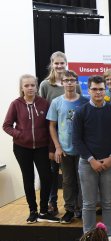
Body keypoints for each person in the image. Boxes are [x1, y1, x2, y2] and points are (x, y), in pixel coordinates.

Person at [72, 75, 111, 241]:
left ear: (105, 90)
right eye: (94, 89)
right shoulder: (81, 112)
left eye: (101, 89)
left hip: (109, 163)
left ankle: (109, 237)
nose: (98, 92)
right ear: (89, 90)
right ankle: (88, 240)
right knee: (89, 204)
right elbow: (76, 140)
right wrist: (91, 160)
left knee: (108, 202)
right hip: (88, 164)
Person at [3, 74, 58, 223]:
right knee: (28, 178)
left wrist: (51, 149)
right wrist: (19, 134)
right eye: (26, 85)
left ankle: (44, 211)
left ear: (36, 86)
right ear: (22, 88)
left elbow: (51, 127)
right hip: (22, 148)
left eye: (32, 85)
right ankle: (32, 211)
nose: (30, 88)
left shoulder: (44, 103)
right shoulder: (16, 104)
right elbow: (6, 125)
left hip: (42, 147)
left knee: (46, 177)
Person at [39, 51, 81, 216]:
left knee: (73, 176)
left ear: (66, 64)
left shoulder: (75, 86)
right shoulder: (45, 85)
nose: (59, 66)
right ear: (52, 64)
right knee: (54, 171)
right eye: (56, 63)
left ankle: (77, 206)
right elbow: (43, 110)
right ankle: (53, 203)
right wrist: (54, 145)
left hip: (72, 137)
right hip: (53, 134)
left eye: (62, 63)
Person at [47, 70, 88, 224]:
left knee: (82, 180)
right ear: (62, 82)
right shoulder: (56, 102)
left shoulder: (84, 101)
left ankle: (81, 208)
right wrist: (57, 147)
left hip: (82, 149)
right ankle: (69, 209)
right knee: (67, 180)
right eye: (66, 80)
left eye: (72, 80)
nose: (69, 83)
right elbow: (52, 126)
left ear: (76, 82)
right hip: (64, 149)